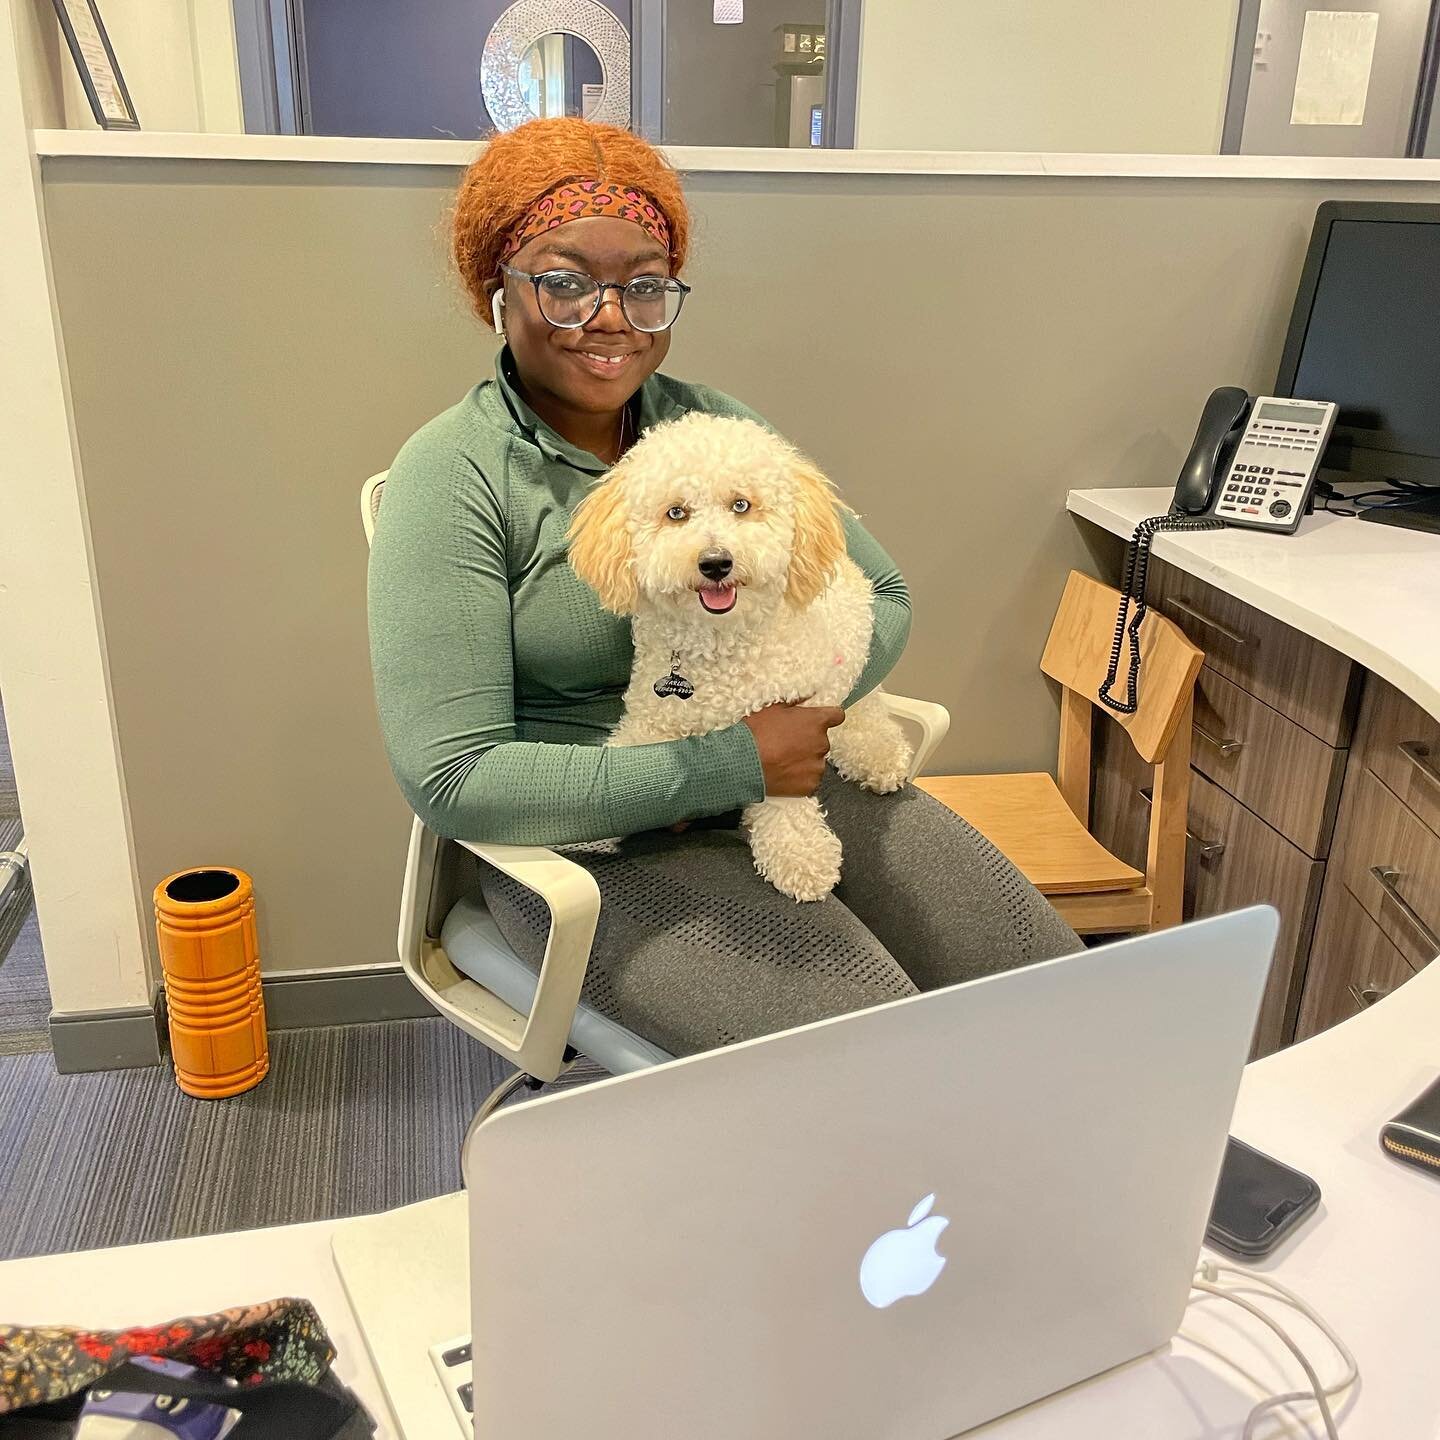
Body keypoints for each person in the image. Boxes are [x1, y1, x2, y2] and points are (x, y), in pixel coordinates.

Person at [368, 118, 1080, 1058]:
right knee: (881, 1051)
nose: (611, 316)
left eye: (645, 284)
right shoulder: (452, 474)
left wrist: (786, 715)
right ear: (497, 290)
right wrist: (735, 764)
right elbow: (453, 779)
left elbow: (884, 597)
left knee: (1053, 984)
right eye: (566, 280)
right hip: (592, 843)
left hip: (787, 770)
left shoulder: (711, 422)